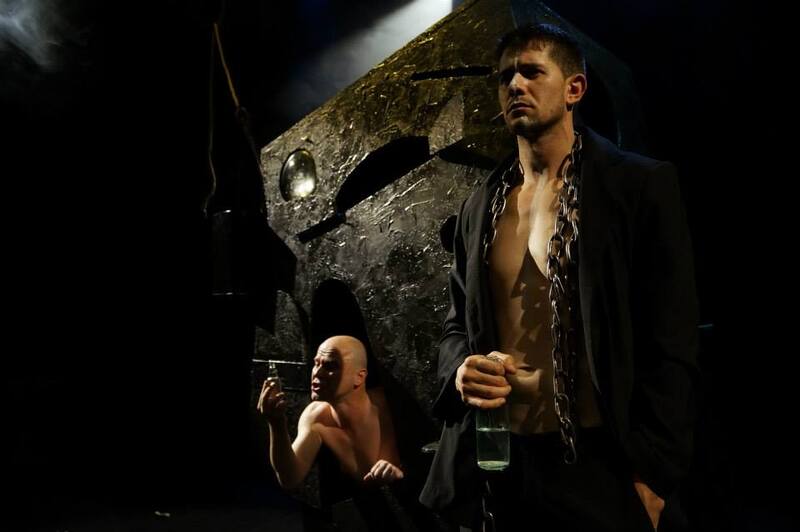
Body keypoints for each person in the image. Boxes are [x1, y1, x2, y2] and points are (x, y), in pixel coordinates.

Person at [420, 23, 698, 532]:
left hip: (600, 462)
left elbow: (672, 338)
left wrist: (655, 472)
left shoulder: (638, 186)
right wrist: (460, 369)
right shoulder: (479, 208)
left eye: (531, 72)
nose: (515, 85)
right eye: (505, 77)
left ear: (574, 88)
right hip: (504, 461)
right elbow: (457, 325)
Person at [257, 335, 403, 489]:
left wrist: (399, 474)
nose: (317, 373)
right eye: (316, 364)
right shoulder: (317, 416)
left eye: (330, 366)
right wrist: (277, 424)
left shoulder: (387, 405)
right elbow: (289, 478)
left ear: (359, 377)